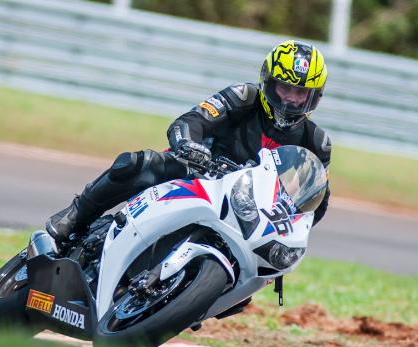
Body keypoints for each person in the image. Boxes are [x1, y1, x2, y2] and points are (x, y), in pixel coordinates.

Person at [46, 40, 332, 244]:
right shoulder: (244, 96)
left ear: (313, 97)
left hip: (248, 213)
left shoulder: (316, 143)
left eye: (300, 93)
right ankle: (76, 215)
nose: (290, 99)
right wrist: (190, 145)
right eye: (285, 87)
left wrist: (286, 232)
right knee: (135, 164)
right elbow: (192, 120)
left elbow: (314, 203)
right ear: (268, 82)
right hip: (199, 173)